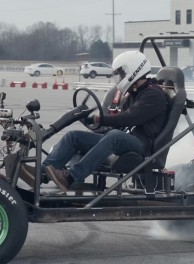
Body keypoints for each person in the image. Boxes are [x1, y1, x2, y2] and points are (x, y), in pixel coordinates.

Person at [20, 51, 169, 192]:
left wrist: (102, 119)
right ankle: (40, 175)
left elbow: (130, 117)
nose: (120, 77)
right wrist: (92, 120)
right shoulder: (134, 93)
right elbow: (120, 119)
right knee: (74, 136)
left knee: (114, 136)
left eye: (122, 73)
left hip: (142, 145)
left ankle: (70, 177)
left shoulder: (154, 95)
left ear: (134, 70)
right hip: (124, 139)